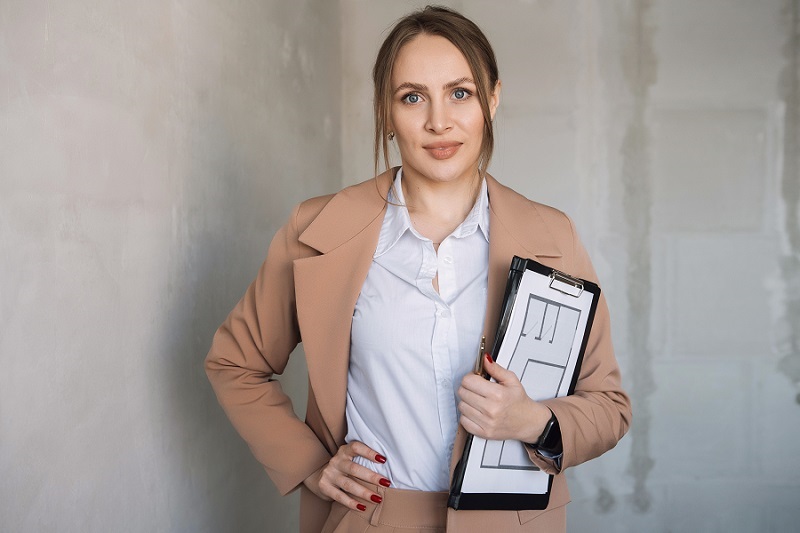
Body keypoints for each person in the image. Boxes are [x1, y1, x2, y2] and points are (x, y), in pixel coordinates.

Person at [205, 6, 631, 532]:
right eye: (412, 97)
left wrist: (534, 421)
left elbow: (609, 406)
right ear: (385, 112)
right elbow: (235, 363)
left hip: (511, 524)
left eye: (460, 93)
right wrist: (309, 464)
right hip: (369, 520)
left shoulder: (554, 237)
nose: (438, 121)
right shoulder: (316, 231)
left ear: (492, 99)